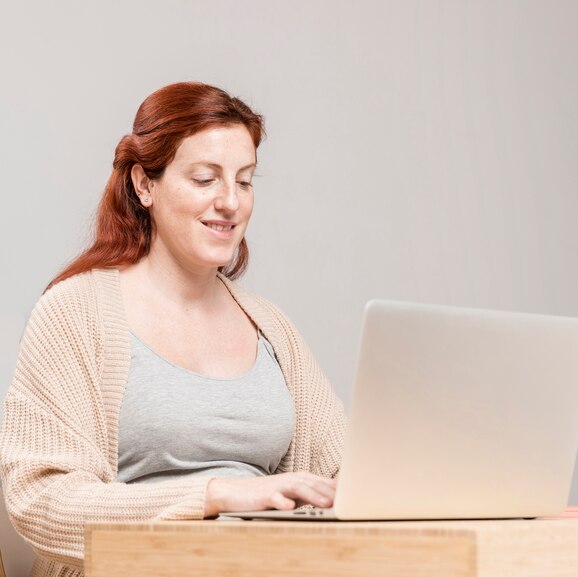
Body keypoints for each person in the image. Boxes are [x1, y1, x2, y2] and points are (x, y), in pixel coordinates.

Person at [0, 82, 346, 577]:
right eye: (205, 179)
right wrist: (215, 494)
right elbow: (41, 501)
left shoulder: (271, 328)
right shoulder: (74, 312)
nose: (230, 202)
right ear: (145, 185)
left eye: (244, 181)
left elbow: (346, 469)